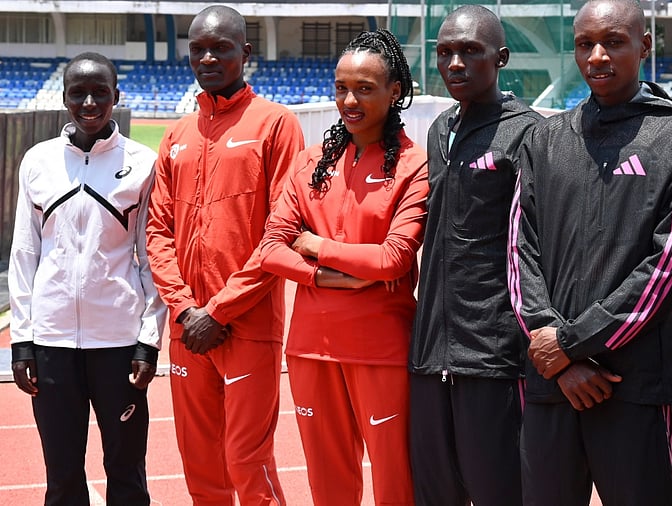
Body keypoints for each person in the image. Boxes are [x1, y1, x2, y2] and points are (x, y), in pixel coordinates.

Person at [507, 0, 672, 504]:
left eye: (613, 42)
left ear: (643, 45)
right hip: (551, 380)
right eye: (584, 44)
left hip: (633, 383)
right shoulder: (543, 138)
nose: (597, 55)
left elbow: (669, 265)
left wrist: (571, 344)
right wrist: (556, 354)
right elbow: (518, 250)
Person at [145, 5, 304, 505]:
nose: (208, 57)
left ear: (246, 53)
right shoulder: (176, 135)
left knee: (246, 460)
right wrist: (185, 309)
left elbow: (281, 231)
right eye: (198, 49)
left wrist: (218, 310)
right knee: (202, 465)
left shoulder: (275, 124)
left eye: (221, 47)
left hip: (247, 325)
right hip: (186, 328)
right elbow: (157, 232)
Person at [259, 29, 425, 506]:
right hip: (311, 348)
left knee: (396, 483)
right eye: (341, 88)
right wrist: (324, 274)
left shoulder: (415, 165)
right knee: (329, 486)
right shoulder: (309, 162)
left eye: (365, 88)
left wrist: (313, 244)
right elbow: (270, 248)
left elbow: (393, 257)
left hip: (381, 349)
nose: (349, 100)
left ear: (395, 92)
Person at [8, 52, 165, 506]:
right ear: (64, 99)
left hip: (118, 343)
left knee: (126, 472)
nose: (90, 102)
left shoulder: (142, 163)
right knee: (61, 477)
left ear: (117, 96)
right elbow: (25, 253)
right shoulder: (37, 160)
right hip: (52, 344)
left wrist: (148, 340)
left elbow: (149, 257)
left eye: (101, 92)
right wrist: (23, 341)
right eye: (79, 93)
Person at [407, 5, 542, 506]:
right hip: (428, 351)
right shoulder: (439, 129)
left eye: (470, 51)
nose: (455, 63)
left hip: (493, 355)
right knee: (434, 492)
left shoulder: (528, 133)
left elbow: (534, 245)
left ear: (500, 57)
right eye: (445, 52)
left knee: (497, 491)